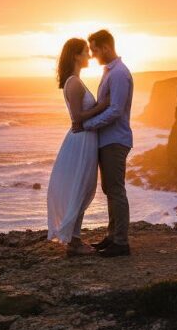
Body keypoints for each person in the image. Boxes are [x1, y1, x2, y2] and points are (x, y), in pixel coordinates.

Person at [72, 29, 134, 257]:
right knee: (110, 189)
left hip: (115, 139)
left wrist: (87, 125)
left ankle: (121, 243)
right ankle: (112, 236)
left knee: (116, 189)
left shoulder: (118, 74)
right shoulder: (110, 72)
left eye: (95, 49)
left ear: (106, 47)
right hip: (108, 139)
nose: (93, 54)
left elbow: (116, 110)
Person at [46, 38, 110, 256]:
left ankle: (74, 238)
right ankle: (73, 243)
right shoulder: (73, 82)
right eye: (85, 52)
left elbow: (79, 118)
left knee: (84, 188)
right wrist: (102, 106)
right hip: (81, 141)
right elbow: (77, 117)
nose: (89, 56)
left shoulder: (76, 81)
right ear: (75, 56)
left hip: (85, 140)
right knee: (80, 188)